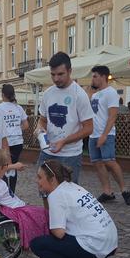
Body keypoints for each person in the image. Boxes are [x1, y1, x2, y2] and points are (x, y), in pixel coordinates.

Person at [30, 160, 118, 258]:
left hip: (97, 245)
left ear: (53, 178)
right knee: (64, 235)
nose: (36, 180)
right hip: (110, 242)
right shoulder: (72, 186)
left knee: (37, 245)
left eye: (39, 177)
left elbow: (58, 233)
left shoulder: (56, 195)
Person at [35, 52, 94, 184]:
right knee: (45, 190)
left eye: (60, 74)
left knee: (68, 195)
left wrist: (64, 141)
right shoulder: (48, 94)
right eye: (53, 74)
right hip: (47, 152)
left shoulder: (79, 94)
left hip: (70, 155)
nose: (56, 79)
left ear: (70, 71)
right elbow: (43, 120)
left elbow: (89, 128)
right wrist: (39, 129)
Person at [0, 148, 48, 249]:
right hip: (18, 210)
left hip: (14, 207)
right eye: (6, 165)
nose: (8, 167)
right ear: (1, 168)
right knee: (43, 215)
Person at [89, 65, 130, 205]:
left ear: (103, 77)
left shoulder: (111, 93)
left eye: (95, 76)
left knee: (109, 161)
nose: (93, 79)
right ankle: (107, 192)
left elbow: (112, 116)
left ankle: (124, 190)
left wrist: (104, 135)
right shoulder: (95, 94)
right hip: (93, 135)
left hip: (106, 134)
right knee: (97, 163)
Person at [0, 84, 29, 193]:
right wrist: (15, 128)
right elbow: (26, 125)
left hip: (5, 142)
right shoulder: (18, 107)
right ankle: (12, 192)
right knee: (13, 167)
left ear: (3, 94)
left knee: (3, 167)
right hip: (18, 142)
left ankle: (5, 192)